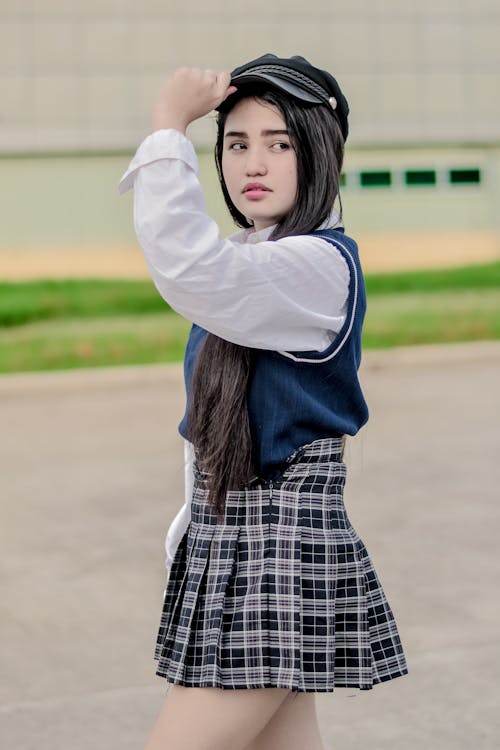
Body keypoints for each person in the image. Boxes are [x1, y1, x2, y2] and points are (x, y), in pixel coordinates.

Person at [118, 53, 408, 750]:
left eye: (279, 144)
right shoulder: (264, 258)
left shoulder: (313, 265)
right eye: (237, 144)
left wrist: (166, 129)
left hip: (277, 555)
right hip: (239, 549)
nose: (254, 163)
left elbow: (193, 267)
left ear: (319, 156)